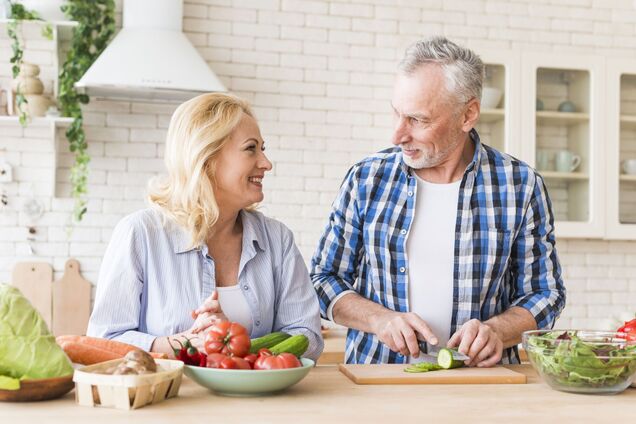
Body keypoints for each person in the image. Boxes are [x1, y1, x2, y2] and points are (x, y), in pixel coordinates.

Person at [311, 36, 566, 366]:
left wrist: (498, 331)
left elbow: (545, 294)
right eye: (397, 114)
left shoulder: (520, 185)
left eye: (417, 119)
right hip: (378, 376)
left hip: (482, 383)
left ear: (467, 115)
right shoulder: (366, 179)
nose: (398, 135)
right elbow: (323, 280)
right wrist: (378, 319)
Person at [87, 93, 323, 361]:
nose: (266, 163)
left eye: (263, 148)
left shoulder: (277, 240)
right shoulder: (140, 234)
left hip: (258, 402)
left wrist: (233, 343)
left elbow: (308, 338)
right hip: (169, 400)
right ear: (207, 157)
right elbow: (103, 340)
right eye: (251, 148)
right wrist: (182, 344)